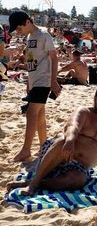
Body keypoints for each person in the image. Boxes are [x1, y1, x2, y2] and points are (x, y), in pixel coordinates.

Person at [6, 86, 97, 196]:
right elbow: (72, 126)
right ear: (95, 98)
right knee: (62, 141)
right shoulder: (84, 112)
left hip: (79, 167)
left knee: (78, 180)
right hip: (58, 154)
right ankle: (34, 183)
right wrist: (70, 140)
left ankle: (35, 183)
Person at [9, 11, 61, 162]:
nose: (18, 32)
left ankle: (26, 150)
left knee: (31, 114)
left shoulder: (44, 35)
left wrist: (53, 81)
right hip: (35, 81)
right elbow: (31, 61)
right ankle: (44, 146)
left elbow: (54, 58)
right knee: (39, 116)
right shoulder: (30, 37)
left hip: (44, 81)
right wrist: (28, 83)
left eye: (19, 28)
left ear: (27, 22)